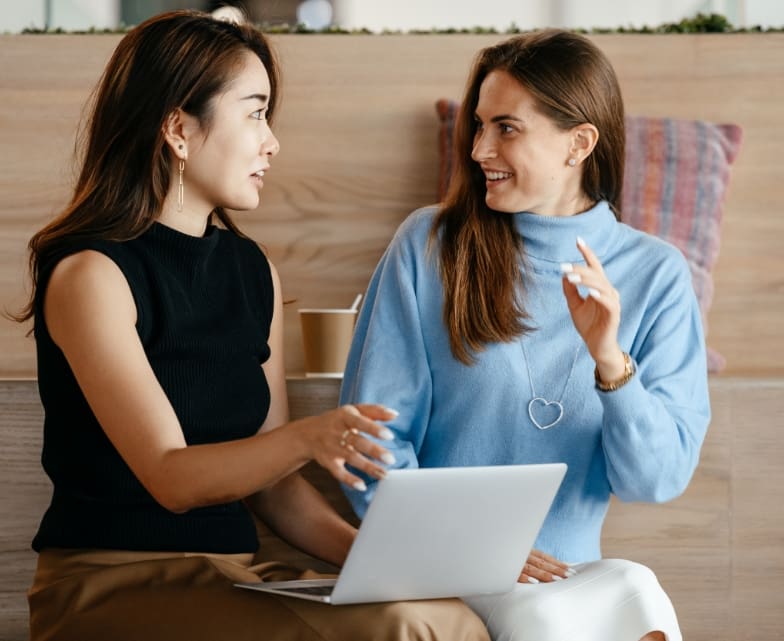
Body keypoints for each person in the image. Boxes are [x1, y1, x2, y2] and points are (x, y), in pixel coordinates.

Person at [14, 10, 489, 641]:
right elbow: (171, 477)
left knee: (447, 616)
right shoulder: (92, 275)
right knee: (404, 629)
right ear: (179, 129)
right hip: (109, 583)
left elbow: (277, 491)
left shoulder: (252, 269)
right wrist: (308, 437)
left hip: (231, 576)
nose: (273, 142)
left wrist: (397, 567)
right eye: (255, 112)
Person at [340, 29, 710, 641]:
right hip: (445, 568)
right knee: (545, 617)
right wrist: (468, 551)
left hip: (570, 572)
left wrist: (610, 362)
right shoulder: (430, 245)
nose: (480, 147)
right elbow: (369, 446)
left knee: (639, 588)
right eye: (478, 125)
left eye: (506, 128)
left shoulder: (657, 274)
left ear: (579, 143)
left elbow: (657, 478)